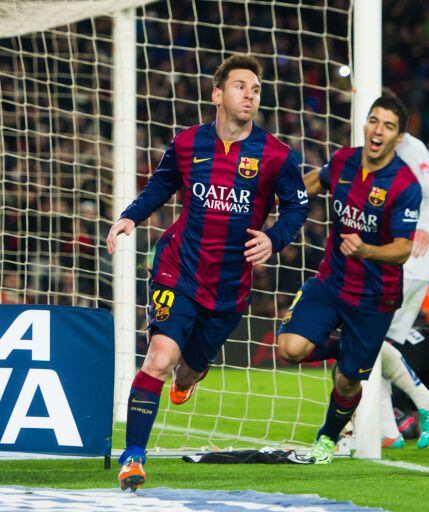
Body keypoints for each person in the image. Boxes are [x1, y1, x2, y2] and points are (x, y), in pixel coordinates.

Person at [106, 55, 308, 490]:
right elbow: (161, 184)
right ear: (217, 94)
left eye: (255, 89)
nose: (250, 95)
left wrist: (275, 238)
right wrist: (130, 217)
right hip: (178, 270)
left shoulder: (275, 155)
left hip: (230, 287)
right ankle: (134, 457)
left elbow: (297, 207)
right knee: (160, 359)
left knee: (186, 372)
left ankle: (190, 376)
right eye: (240, 86)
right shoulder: (187, 143)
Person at [276, 95, 422, 464]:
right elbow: (318, 180)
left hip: (375, 296)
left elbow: (404, 248)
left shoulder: (405, 185)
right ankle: (349, 351)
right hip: (332, 280)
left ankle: (327, 436)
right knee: (290, 349)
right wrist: (283, 198)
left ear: (399, 137)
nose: (378, 130)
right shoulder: (343, 160)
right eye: (374, 121)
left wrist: (367, 251)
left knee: (346, 381)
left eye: (388, 126)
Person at [378, 110, 429, 449]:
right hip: (402, 262)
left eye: (387, 125)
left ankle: (428, 403)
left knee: (366, 342)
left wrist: (425, 227)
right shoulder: (385, 154)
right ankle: (386, 431)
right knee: (375, 348)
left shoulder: (412, 148)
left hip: (408, 261)